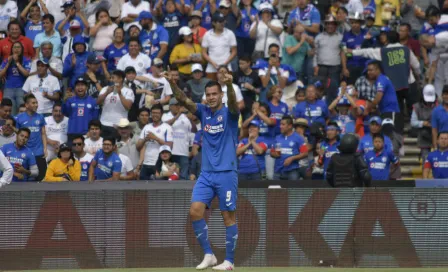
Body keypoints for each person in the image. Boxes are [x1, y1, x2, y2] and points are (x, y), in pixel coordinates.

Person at [164, 70, 239, 270]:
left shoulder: (230, 114)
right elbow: (183, 99)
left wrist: (230, 85)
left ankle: (229, 261)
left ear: (221, 95)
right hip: (206, 174)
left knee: (227, 217)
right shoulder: (203, 111)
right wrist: (172, 83)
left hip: (226, 173)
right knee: (195, 211)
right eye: (209, 94)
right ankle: (209, 254)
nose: (212, 97)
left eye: (215, 94)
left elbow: (233, 103)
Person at [136, 104, 173, 179]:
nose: (155, 115)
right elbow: (138, 146)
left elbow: (169, 147)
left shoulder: (167, 128)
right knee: (143, 188)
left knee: (158, 189)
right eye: (153, 113)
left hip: (159, 164)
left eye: (157, 113)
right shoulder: (147, 127)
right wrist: (145, 139)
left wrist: (156, 138)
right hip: (146, 164)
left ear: (161, 114)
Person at [15, 94, 47, 181]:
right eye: (33, 103)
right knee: (26, 179)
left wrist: (45, 148)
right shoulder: (18, 118)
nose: (36, 105)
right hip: (25, 152)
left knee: (41, 178)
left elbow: (43, 133)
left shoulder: (40, 117)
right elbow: (16, 134)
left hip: (39, 152)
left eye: (36, 103)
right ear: (26, 105)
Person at [98, 70, 134, 139]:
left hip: (119, 125)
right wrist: (106, 93)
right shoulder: (106, 88)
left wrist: (120, 94)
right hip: (103, 123)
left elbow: (128, 106)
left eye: (113, 78)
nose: (111, 80)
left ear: (120, 79)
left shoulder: (128, 91)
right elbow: (98, 102)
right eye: (111, 78)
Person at [162, 98, 193, 180]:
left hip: (184, 152)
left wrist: (190, 118)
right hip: (170, 152)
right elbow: (166, 125)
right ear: (170, 106)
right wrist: (179, 114)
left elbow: (192, 132)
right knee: (170, 177)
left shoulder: (185, 118)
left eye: (179, 105)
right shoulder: (165, 116)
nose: (178, 107)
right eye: (176, 105)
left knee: (183, 177)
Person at [62, 76, 100, 143]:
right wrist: (64, 101)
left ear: (87, 87)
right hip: (72, 133)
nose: (80, 87)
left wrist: (90, 132)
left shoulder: (93, 101)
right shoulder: (70, 100)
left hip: (87, 134)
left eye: (82, 85)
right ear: (75, 88)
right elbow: (65, 113)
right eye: (78, 85)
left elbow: (95, 120)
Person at [201, 12, 237, 80]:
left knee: (227, 88)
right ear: (213, 23)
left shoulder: (230, 33)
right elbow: (204, 52)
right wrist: (213, 63)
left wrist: (224, 64)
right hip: (211, 68)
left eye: (223, 21)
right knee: (211, 88)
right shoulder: (207, 34)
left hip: (227, 67)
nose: (222, 23)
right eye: (220, 21)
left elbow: (234, 51)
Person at [0, 42, 31, 115]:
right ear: (12, 49)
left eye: (18, 47)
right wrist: (8, 63)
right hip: (8, 89)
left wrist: (17, 62)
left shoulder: (26, 60)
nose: (16, 49)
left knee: (22, 111)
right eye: (14, 47)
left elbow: (27, 74)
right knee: (9, 113)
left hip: (21, 89)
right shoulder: (6, 60)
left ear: (22, 49)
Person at [412, 84, 437, 165]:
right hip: (424, 137)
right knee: (426, 162)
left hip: (438, 137)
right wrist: (423, 123)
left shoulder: (439, 106)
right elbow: (413, 122)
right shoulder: (417, 107)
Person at [235, 56, 261, 120]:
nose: (240, 65)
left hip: (250, 105)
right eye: (239, 64)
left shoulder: (255, 75)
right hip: (238, 104)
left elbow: (260, 91)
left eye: (242, 63)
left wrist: (252, 88)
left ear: (248, 63)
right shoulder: (236, 74)